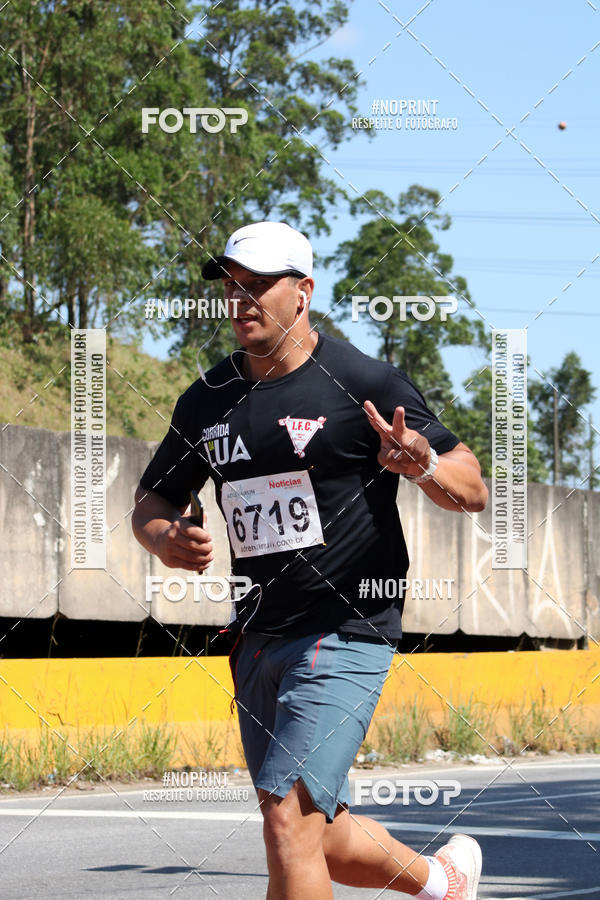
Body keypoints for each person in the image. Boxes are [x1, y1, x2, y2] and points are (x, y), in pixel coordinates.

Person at [132, 221, 488, 899]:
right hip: (257, 637)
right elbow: (154, 496)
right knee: (316, 834)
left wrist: (424, 464)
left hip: (345, 629)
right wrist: (160, 536)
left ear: (304, 291)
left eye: (259, 284)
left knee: (288, 822)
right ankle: (443, 882)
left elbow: (472, 487)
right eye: (232, 285)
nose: (241, 298)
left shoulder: (363, 382)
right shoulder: (207, 399)